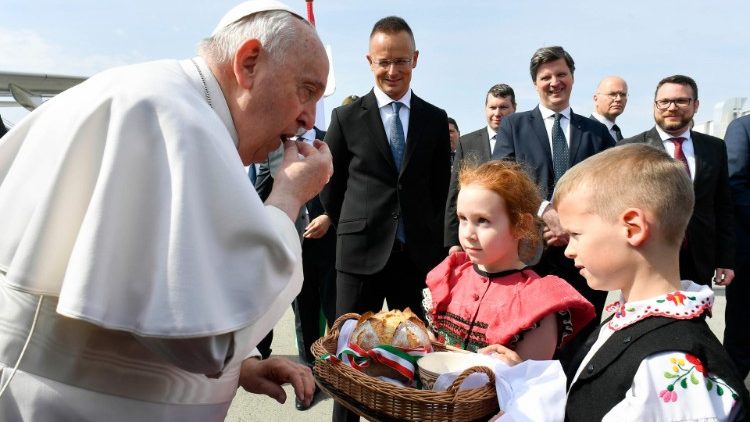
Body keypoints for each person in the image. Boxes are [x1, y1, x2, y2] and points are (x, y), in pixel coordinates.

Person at [0, 1, 332, 420]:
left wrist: (241, 368)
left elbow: (161, 313)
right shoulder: (174, 119)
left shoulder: (176, 104)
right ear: (249, 64)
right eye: (306, 91)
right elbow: (207, 341)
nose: (309, 119)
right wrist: (288, 196)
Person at [484, 144, 750, 420]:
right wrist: (526, 382)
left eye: (576, 234)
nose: (568, 250)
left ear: (632, 228)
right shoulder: (637, 320)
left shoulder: (666, 366)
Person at [320, 15, 451, 422]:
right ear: (369, 61)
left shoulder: (434, 119)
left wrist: (427, 237)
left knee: (415, 358)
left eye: (401, 61)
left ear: (415, 59)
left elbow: (440, 188)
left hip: (416, 258)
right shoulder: (346, 118)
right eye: (383, 62)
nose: (392, 70)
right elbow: (330, 184)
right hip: (358, 255)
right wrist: (353, 225)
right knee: (348, 358)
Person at [492, 46, 614, 366]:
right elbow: (503, 180)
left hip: (584, 258)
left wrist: (570, 226)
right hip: (531, 255)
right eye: (546, 77)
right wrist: (545, 211)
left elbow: (610, 188)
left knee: (581, 346)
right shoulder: (514, 127)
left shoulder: (597, 133)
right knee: (527, 346)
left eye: (561, 74)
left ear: (572, 77)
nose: (554, 82)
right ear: (535, 83)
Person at [425, 160, 595, 358]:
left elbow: (531, 373)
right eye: (463, 219)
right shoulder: (451, 277)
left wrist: (513, 368)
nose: (468, 233)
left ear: (521, 225)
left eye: (483, 220)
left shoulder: (537, 300)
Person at [620, 75, 735, 287]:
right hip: (647, 258)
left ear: (696, 105)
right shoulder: (629, 148)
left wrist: (725, 260)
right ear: (654, 105)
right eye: (664, 101)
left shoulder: (715, 148)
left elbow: (722, 206)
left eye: (681, 101)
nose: (671, 108)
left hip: (700, 260)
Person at [445, 83, 517, 252]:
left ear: (514, 108)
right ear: (485, 109)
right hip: (474, 237)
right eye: (492, 107)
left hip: (513, 236)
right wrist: (453, 241)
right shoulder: (467, 143)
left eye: (503, 107)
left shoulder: (525, 141)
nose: (497, 113)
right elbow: (455, 193)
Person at [724, 114, 750, 381]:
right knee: (742, 329)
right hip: (747, 250)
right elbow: (735, 184)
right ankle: (734, 391)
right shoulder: (743, 127)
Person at [590, 76, 628, 141]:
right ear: (596, 99)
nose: (619, 99)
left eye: (623, 95)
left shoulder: (617, 133)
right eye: (612, 94)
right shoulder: (584, 132)